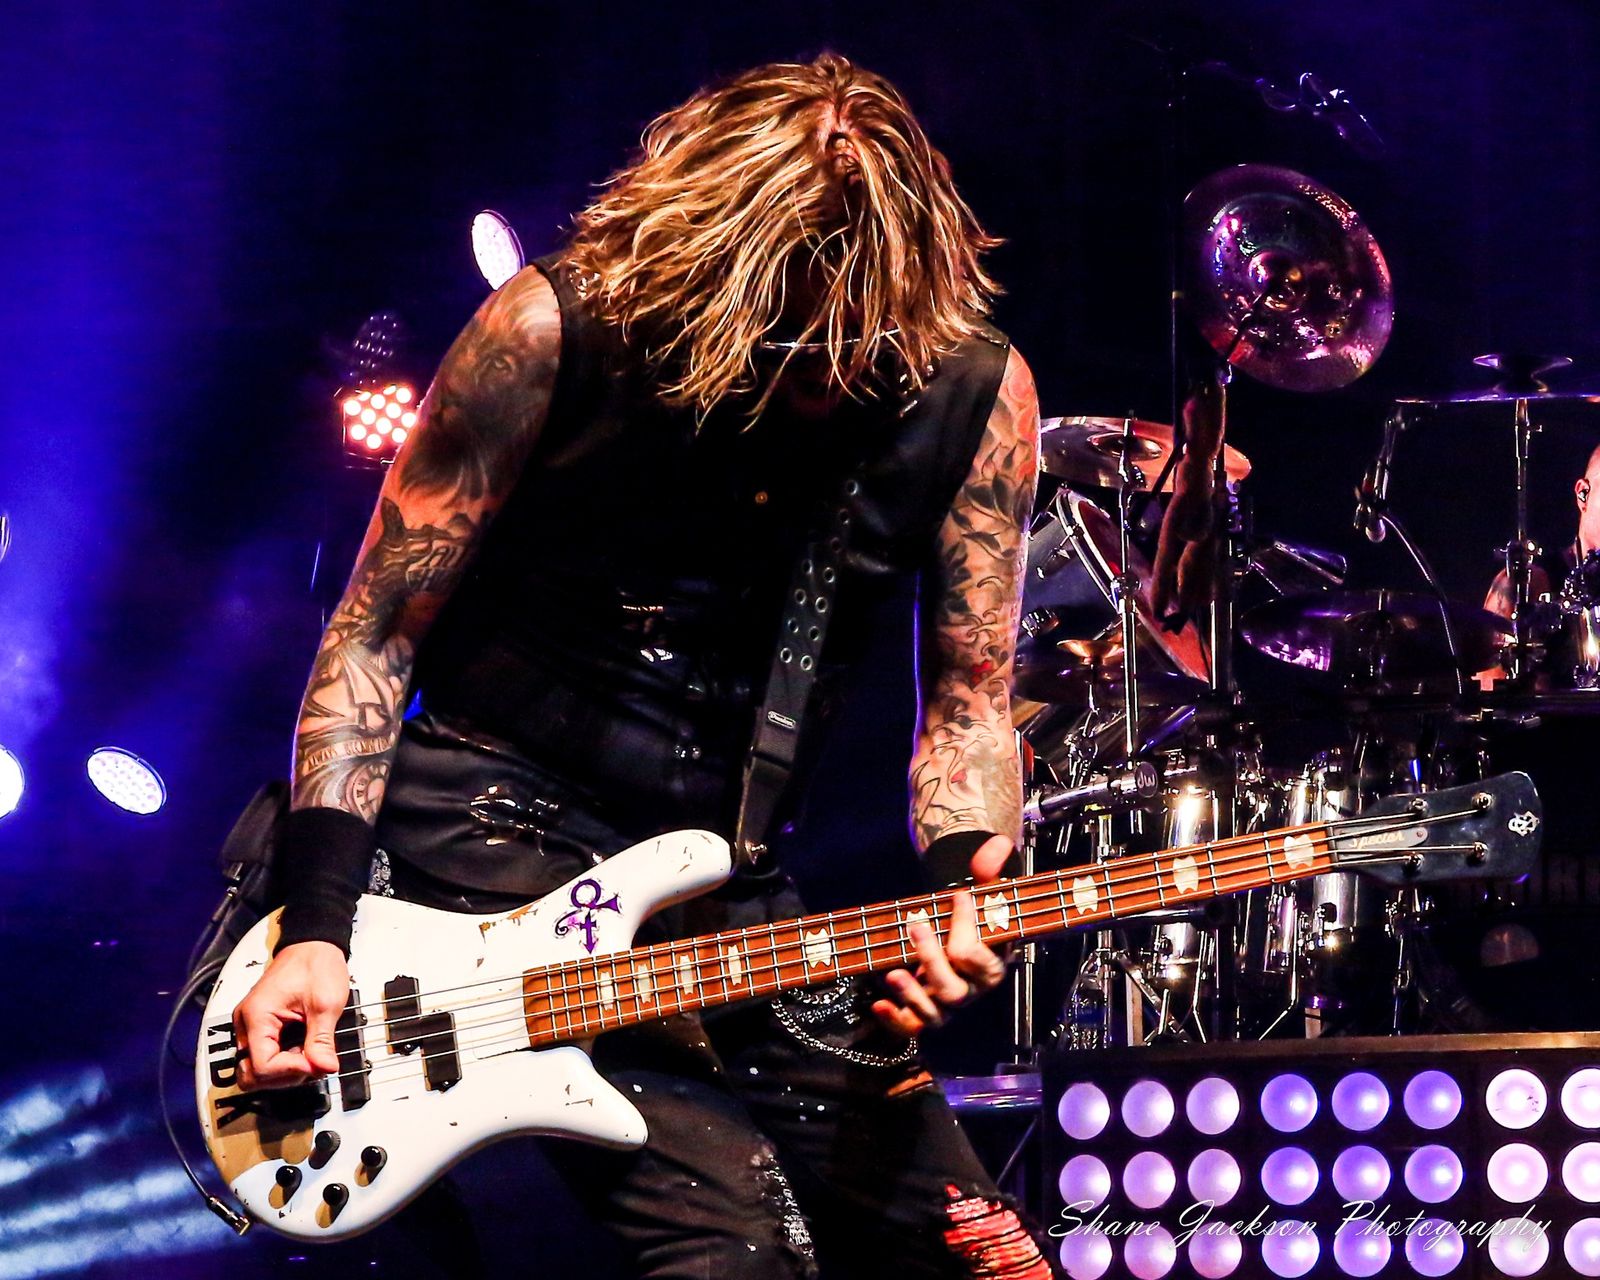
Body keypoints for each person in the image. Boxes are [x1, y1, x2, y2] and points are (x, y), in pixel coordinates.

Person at [231, 54, 1051, 1279]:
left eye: (851, 335)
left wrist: (955, 880)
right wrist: (318, 923)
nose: (818, 372)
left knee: (985, 1259)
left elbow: (974, 698)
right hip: (483, 842)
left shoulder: (975, 392)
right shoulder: (555, 327)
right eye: (782, 329)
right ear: (709, 264)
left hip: (726, 879)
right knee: (742, 1254)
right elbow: (374, 632)